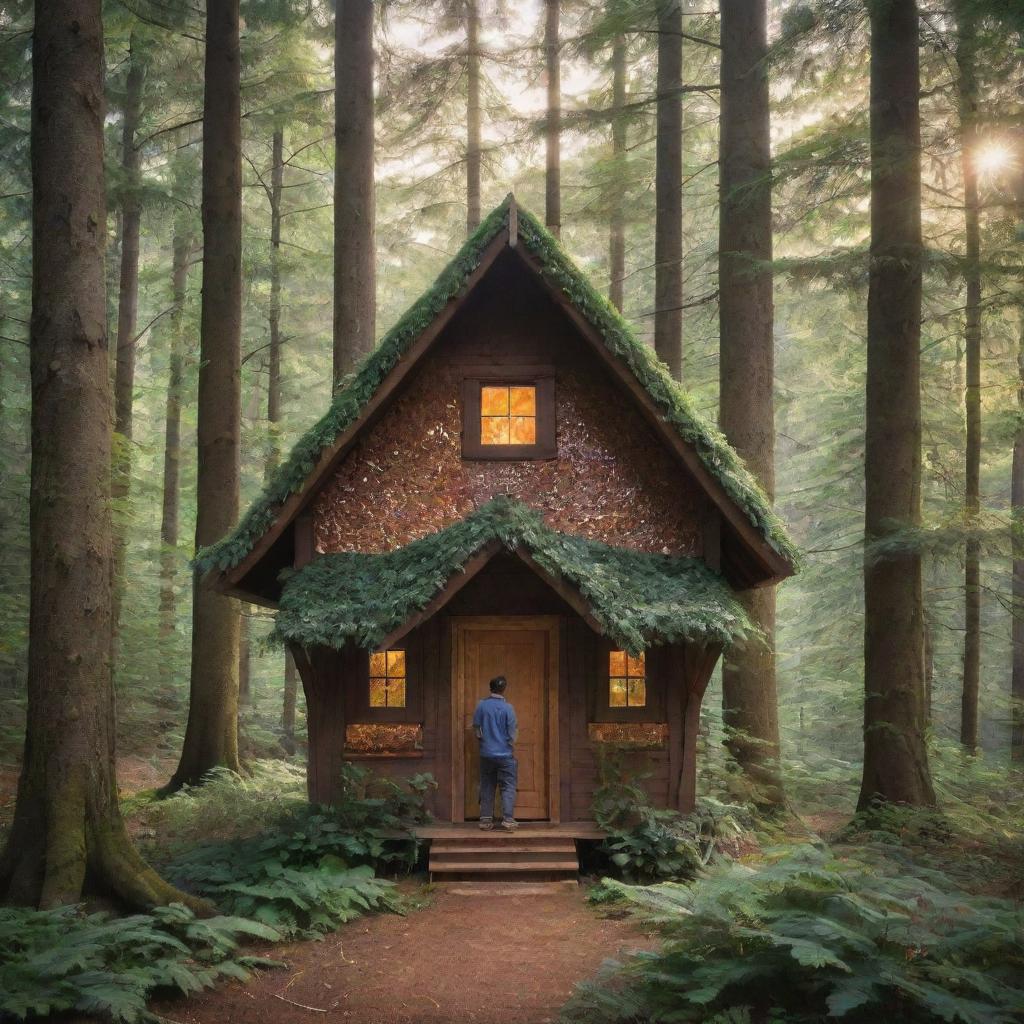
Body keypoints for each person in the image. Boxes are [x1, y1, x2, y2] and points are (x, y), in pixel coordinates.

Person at [472, 675, 518, 831]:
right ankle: (508, 820)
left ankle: (485, 820)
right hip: (505, 753)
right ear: (504, 689)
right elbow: (512, 731)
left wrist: (483, 742)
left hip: (486, 753)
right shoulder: (508, 708)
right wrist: (511, 745)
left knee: (487, 785)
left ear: (490, 687)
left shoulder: (481, 705)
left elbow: (477, 728)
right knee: (508, 785)